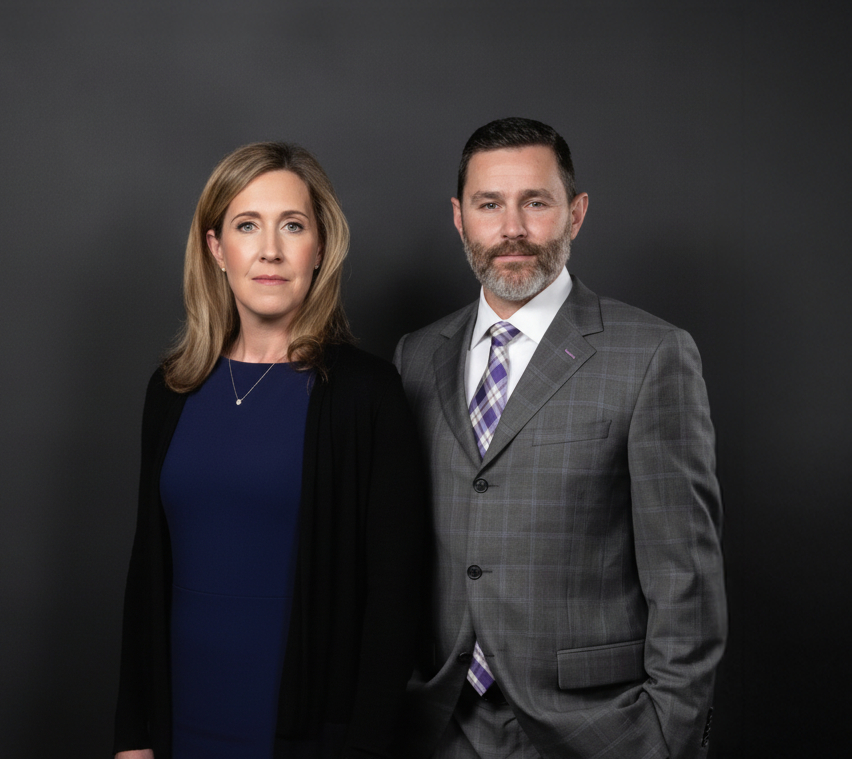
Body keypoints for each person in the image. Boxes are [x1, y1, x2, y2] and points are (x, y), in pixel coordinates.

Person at [393, 118, 726, 759]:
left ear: (576, 213)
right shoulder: (416, 356)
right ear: (460, 218)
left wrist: (668, 736)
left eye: (536, 203)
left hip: (596, 729)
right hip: (438, 725)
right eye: (489, 204)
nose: (512, 228)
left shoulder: (651, 354)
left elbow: (685, 578)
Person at [113, 142, 425, 759]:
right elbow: (147, 568)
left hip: (305, 731)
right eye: (247, 226)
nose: (270, 251)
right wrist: (132, 735)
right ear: (215, 248)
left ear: (321, 247)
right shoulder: (172, 388)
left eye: (293, 226)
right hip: (183, 717)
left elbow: (397, 596)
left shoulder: (366, 393)